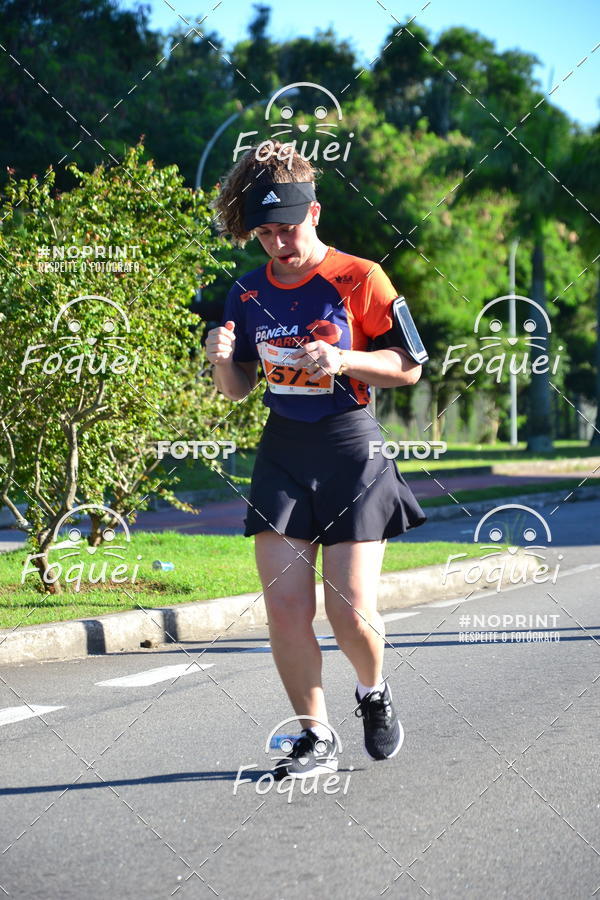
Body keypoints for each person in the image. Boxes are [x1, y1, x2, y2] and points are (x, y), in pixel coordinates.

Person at [206, 143, 427, 780]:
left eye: (290, 230)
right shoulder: (246, 292)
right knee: (284, 606)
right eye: (266, 234)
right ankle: (314, 735)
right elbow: (239, 389)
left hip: (350, 448)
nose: (279, 244)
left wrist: (346, 361)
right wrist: (222, 356)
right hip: (283, 452)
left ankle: (373, 691)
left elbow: (408, 367)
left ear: (316, 214)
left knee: (349, 608)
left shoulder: (361, 278)